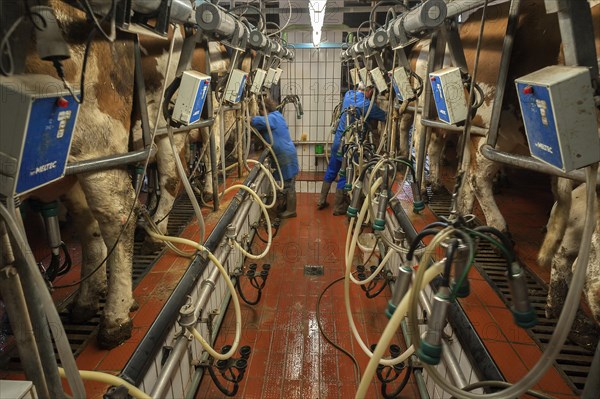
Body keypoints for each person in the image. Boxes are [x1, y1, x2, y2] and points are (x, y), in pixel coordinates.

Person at [317, 83, 387, 215]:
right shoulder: (367, 105)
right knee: (344, 174)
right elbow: (384, 115)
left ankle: (321, 200)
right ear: (370, 91)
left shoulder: (348, 94)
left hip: (338, 141)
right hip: (350, 144)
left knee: (332, 169)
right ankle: (338, 207)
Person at [251, 97, 299, 218]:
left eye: (261, 111)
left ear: (265, 109)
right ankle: (287, 206)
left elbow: (260, 122)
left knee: (289, 183)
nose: (261, 114)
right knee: (288, 182)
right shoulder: (277, 115)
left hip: (285, 155)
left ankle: (291, 210)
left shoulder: (272, 117)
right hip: (286, 153)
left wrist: (248, 118)